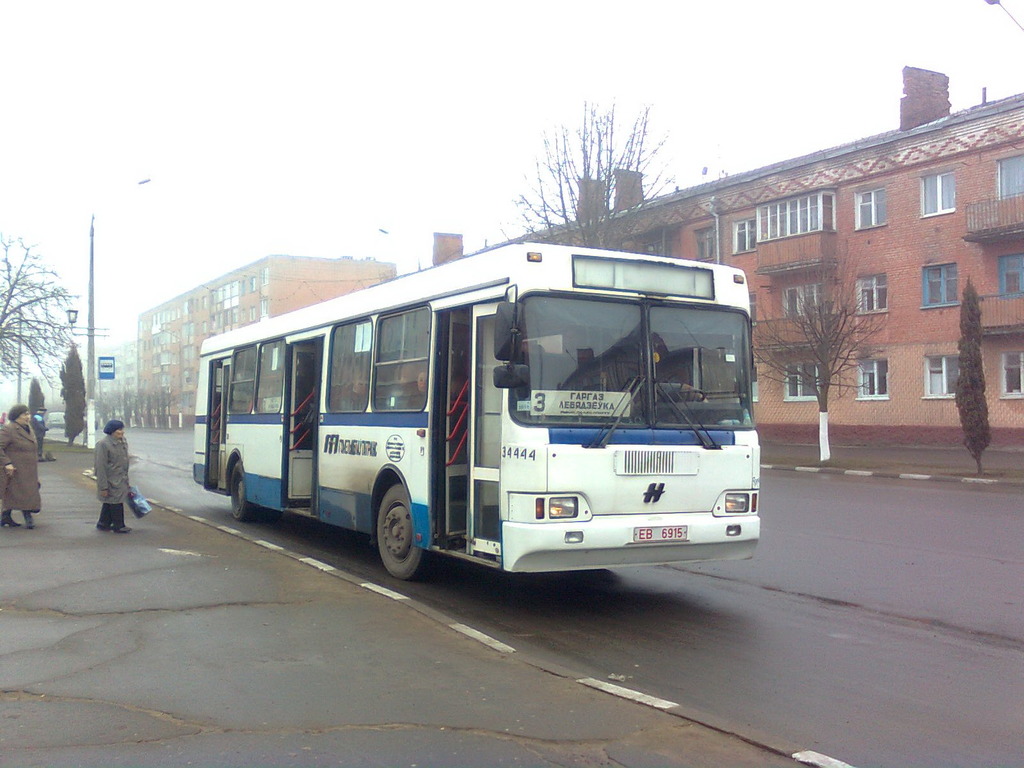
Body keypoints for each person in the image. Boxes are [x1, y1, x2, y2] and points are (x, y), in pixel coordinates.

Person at [0, 404, 42, 529]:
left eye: (28, 414)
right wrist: (7, 463)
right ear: (16, 416)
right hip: (15, 469)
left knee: (17, 493)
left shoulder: (28, 428)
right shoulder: (9, 429)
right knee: (21, 492)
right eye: (25, 414)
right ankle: (28, 516)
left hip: (29, 469)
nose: (28, 417)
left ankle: (5, 516)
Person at [95, 419, 131, 533]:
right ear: (112, 431)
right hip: (110, 479)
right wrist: (103, 487)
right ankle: (118, 525)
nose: (122, 432)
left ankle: (103, 523)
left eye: (122, 429)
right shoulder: (103, 444)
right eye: (119, 430)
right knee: (116, 502)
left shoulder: (122, 442)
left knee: (110, 501)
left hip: (121, 478)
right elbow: (100, 466)